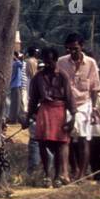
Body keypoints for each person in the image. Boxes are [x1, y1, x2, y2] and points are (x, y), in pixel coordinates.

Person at [56, 33, 100, 180]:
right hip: (66, 104)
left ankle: (81, 174)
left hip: (84, 105)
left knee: (82, 139)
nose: (72, 52)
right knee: (65, 139)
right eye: (69, 49)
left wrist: (94, 109)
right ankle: (68, 172)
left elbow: (94, 88)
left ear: (81, 47)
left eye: (75, 48)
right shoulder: (61, 62)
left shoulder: (91, 63)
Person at [28, 46, 72, 186]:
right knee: (42, 143)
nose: (48, 65)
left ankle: (58, 176)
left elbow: (70, 98)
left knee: (59, 144)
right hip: (44, 111)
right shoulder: (38, 77)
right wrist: (28, 116)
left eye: (51, 62)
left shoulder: (63, 75)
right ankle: (47, 174)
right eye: (46, 62)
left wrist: (73, 118)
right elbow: (33, 99)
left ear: (56, 61)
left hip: (59, 110)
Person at [8, 35, 28, 126]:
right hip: (15, 85)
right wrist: (15, 57)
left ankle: (21, 118)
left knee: (20, 103)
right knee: (15, 104)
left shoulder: (15, 63)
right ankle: (14, 119)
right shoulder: (15, 63)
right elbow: (20, 63)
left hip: (18, 85)